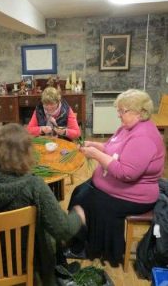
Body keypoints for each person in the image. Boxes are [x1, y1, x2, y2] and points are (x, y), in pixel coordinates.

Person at [0, 123, 86, 285]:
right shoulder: (33, 185)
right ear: (26, 154)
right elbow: (63, 230)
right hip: (26, 266)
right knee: (49, 231)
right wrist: (78, 216)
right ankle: (61, 271)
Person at [66, 89, 165, 266]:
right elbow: (112, 148)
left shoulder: (144, 137)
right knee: (79, 192)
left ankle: (89, 247)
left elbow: (126, 173)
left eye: (123, 111)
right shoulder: (127, 128)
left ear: (140, 112)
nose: (119, 115)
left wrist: (95, 154)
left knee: (87, 201)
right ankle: (80, 240)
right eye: (118, 110)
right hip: (117, 187)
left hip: (135, 196)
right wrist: (94, 145)